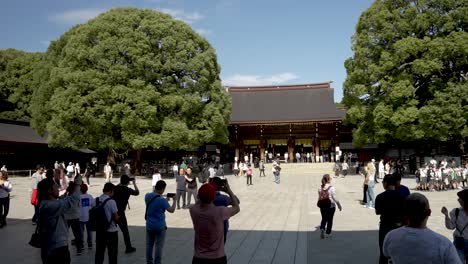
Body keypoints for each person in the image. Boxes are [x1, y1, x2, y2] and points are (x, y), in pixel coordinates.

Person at [384, 193, 461, 264]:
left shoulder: (391, 236)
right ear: (429, 212)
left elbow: (386, 254)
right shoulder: (443, 243)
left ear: (405, 213)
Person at [189, 182, 240, 264]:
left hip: (198, 258)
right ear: (213, 197)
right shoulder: (220, 211)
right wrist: (229, 191)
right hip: (217, 258)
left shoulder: (193, 210)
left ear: (199, 196)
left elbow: (198, 202)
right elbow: (236, 208)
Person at [37, 177, 80, 264]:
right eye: (56, 187)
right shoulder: (50, 206)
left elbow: (62, 199)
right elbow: (72, 200)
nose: (58, 189)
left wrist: (68, 192)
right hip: (57, 249)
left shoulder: (46, 203)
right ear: (50, 191)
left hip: (52, 247)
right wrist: (78, 184)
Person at [375, 174, 404, 264]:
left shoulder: (380, 196)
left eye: (383, 182)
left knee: (383, 252)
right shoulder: (401, 196)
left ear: (386, 183)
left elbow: (377, 212)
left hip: (385, 226)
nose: (383, 184)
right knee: (398, 251)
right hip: (398, 226)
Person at [145, 180, 176, 264]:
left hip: (149, 225)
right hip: (159, 226)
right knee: (158, 246)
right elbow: (171, 210)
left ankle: (149, 262)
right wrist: (174, 201)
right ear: (162, 189)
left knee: (149, 245)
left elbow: (154, 203)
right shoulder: (162, 200)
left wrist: (165, 200)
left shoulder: (147, 196)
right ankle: (157, 262)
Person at [113, 174, 139, 253]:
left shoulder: (115, 188)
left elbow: (116, 187)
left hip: (113, 211)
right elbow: (137, 192)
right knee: (125, 231)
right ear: (128, 182)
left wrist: (122, 183)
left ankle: (111, 246)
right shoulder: (128, 190)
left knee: (111, 229)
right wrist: (134, 183)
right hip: (121, 213)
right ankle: (128, 247)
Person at [210, 177, 240, 244]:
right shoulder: (223, 199)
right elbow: (237, 202)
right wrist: (228, 191)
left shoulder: (199, 203)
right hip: (222, 228)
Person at [95, 183, 120, 264]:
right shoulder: (111, 202)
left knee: (99, 253)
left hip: (99, 231)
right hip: (111, 231)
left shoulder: (96, 200)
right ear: (111, 191)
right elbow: (116, 217)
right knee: (112, 254)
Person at [442, 189, 468, 262]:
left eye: (460, 198)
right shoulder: (456, 212)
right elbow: (451, 227)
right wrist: (446, 215)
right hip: (459, 243)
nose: (458, 200)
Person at [317, 174, 342, 239]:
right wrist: (339, 205)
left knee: (324, 218)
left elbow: (319, 197)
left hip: (322, 206)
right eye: (330, 178)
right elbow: (335, 198)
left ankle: (322, 228)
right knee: (330, 220)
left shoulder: (320, 188)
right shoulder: (331, 188)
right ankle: (328, 232)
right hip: (331, 206)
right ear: (328, 180)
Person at [64, 182, 84, 255]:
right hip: (75, 216)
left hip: (67, 217)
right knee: (77, 233)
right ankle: (79, 249)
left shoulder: (67, 196)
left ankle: (65, 248)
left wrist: (66, 192)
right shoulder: (76, 195)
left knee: (65, 233)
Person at [79, 183, 95, 249]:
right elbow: (93, 205)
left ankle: (82, 244)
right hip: (88, 216)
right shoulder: (90, 196)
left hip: (80, 217)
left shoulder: (78, 197)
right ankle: (90, 244)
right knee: (89, 231)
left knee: (81, 232)